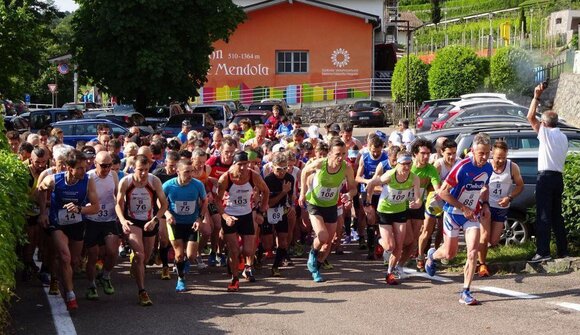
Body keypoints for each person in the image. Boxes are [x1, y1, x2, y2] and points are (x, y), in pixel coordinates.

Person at [425, 133, 493, 305]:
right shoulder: (462, 167)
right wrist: (463, 207)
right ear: (472, 151)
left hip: (471, 215)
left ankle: (465, 291)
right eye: (481, 153)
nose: (484, 157)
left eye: (487, 153)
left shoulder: (488, 168)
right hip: (453, 212)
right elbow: (443, 192)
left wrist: (484, 204)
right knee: (450, 254)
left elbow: (484, 187)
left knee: (472, 252)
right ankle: (432, 256)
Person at [37, 150, 100, 310]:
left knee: (73, 260)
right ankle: (70, 295)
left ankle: (58, 278)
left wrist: (79, 209)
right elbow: (41, 188)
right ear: (69, 168)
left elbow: (95, 207)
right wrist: (43, 212)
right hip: (58, 223)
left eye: (84, 167)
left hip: (77, 223)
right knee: (64, 257)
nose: (83, 171)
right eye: (79, 168)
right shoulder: (55, 180)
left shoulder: (87, 181)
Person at [299, 137, 357, 282]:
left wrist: (348, 195)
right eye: (338, 154)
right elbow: (305, 171)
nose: (341, 157)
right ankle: (312, 253)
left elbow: (353, 188)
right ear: (329, 153)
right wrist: (302, 193)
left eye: (344, 154)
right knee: (322, 235)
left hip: (331, 205)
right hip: (315, 203)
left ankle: (316, 269)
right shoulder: (320, 163)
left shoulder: (347, 167)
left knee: (329, 242)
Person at [115, 154, 168, 306]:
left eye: (146, 169)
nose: (143, 173)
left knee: (145, 257)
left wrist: (155, 220)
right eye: (140, 170)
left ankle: (137, 264)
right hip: (132, 221)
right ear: (133, 168)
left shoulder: (154, 181)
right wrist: (123, 220)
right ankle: (142, 291)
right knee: (140, 254)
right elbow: (118, 204)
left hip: (149, 221)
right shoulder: (126, 181)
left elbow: (164, 204)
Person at [365, 151, 422, 285]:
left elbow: (418, 197)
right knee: (390, 246)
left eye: (409, 164)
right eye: (404, 164)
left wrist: (417, 203)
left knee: (399, 245)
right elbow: (372, 183)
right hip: (384, 211)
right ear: (397, 163)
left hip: (400, 211)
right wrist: (368, 202)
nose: (407, 167)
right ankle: (380, 240)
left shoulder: (414, 178)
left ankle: (390, 272)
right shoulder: (390, 175)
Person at [215, 151, 269, 291]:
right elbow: (217, 201)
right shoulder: (225, 178)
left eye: (245, 164)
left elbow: (266, 191)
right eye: (240, 165)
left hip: (246, 215)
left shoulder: (253, 176)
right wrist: (225, 217)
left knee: (248, 251)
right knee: (233, 250)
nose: (243, 168)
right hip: (230, 216)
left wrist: (261, 211)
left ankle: (240, 262)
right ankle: (234, 278)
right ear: (234, 164)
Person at [527, 84, 569, 262]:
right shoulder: (563, 136)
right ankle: (562, 250)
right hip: (558, 178)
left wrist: (536, 96)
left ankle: (543, 251)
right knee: (556, 215)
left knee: (543, 215)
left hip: (545, 177)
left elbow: (530, 117)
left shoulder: (545, 134)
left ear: (544, 123)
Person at [478, 140, 524, 277]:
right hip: (486, 204)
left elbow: (520, 185)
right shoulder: (485, 166)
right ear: (492, 153)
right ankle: (482, 264)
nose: (500, 160)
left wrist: (509, 197)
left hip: (501, 206)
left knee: (494, 240)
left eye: (503, 157)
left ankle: (476, 252)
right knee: (484, 236)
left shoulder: (512, 167)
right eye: (498, 157)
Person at [163, 159, 210, 292]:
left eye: (192, 171)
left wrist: (200, 219)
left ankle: (184, 264)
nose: (190, 175)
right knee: (179, 255)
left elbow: (204, 201)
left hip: (192, 223)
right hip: (175, 223)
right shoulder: (168, 185)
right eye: (186, 172)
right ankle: (181, 279)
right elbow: (159, 201)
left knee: (191, 256)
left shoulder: (197, 185)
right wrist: (167, 214)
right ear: (177, 171)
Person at [84, 151, 120, 300]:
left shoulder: (114, 175)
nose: (106, 169)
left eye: (109, 165)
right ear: (95, 164)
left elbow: (118, 194)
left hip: (109, 219)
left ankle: (105, 276)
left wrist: (120, 213)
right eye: (103, 166)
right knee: (93, 255)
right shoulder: (88, 177)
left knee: (112, 252)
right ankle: (91, 285)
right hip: (92, 220)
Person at [417, 138, 457, 271]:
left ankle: (436, 255)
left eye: (454, 153)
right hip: (434, 200)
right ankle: (420, 256)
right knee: (427, 230)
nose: (451, 157)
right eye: (448, 154)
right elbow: (427, 184)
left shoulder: (458, 164)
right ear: (442, 152)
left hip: (449, 201)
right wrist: (436, 191)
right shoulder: (438, 165)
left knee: (442, 230)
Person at [262, 152, 295, 277]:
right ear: (273, 167)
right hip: (268, 211)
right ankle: (259, 253)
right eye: (279, 169)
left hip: (281, 211)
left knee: (283, 242)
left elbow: (291, 196)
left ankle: (275, 267)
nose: (282, 172)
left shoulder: (290, 178)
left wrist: (291, 205)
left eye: (285, 168)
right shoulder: (268, 180)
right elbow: (269, 203)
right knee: (267, 244)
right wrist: (283, 192)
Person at [152, 150, 180, 279]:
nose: (173, 169)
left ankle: (164, 254)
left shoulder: (181, 175)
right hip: (160, 209)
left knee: (172, 239)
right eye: (171, 165)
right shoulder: (157, 175)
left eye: (176, 165)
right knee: (163, 239)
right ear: (165, 163)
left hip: (177, 209)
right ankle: (165, 267)